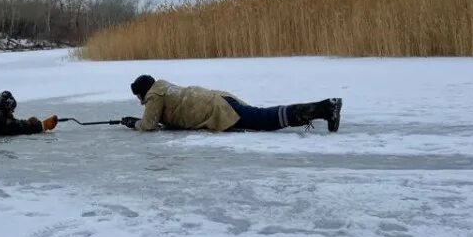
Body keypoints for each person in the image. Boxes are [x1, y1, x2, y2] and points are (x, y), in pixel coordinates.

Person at [120, 75, 342, 133]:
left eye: (139, 98)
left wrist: (135, 123)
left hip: (218, 109)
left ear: (143, 92)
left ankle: (325, 108)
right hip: (220, 99)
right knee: (260, 116)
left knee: (264, 120)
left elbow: (149, 125)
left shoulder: (153, 96)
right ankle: (324, 109)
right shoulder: (164, 88)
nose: (141, 102)